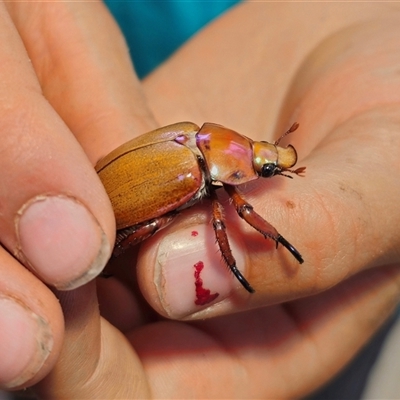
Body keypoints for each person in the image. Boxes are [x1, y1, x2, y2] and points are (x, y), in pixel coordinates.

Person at [0, 2, 399, 398]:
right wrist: (272, 241)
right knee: (168, 225)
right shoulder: (198, 177)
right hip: (121, 197)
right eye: (265, 167)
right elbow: (237, 216)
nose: (265, 166)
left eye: (265, 162)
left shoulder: (198, 135)